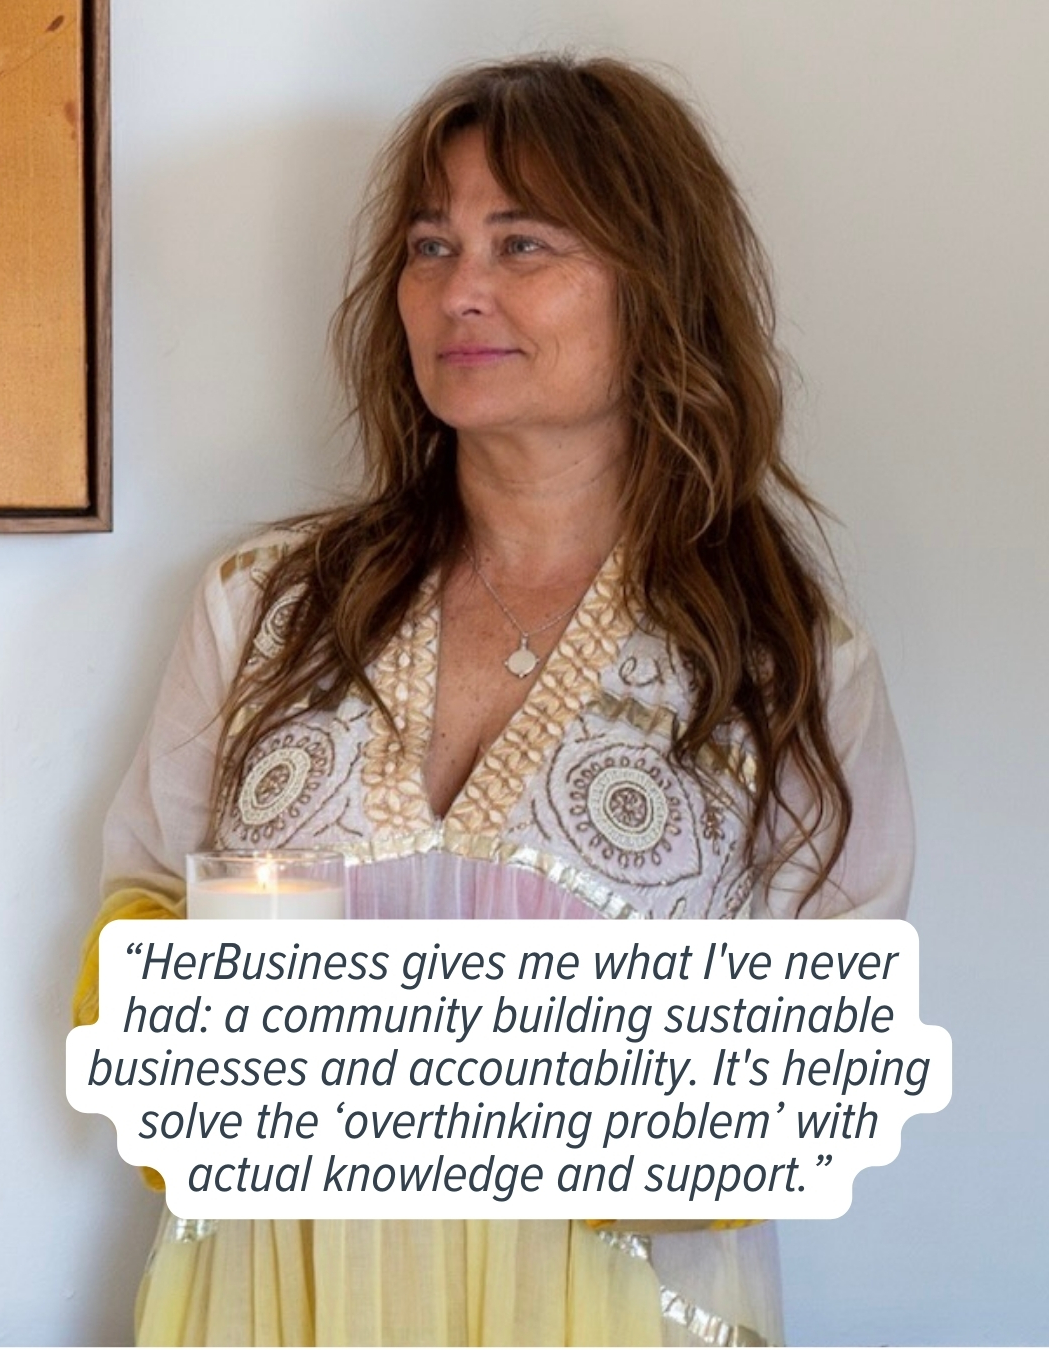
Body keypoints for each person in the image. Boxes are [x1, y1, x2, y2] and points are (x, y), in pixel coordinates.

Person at [74, 54, 914, 1347]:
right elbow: (142, 926)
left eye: (523, 242)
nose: (459, 290)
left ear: (657, 288)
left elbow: (823, 1063)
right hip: (273, 1305)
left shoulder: (783, 666)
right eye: (431, 245)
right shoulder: (266, 610)